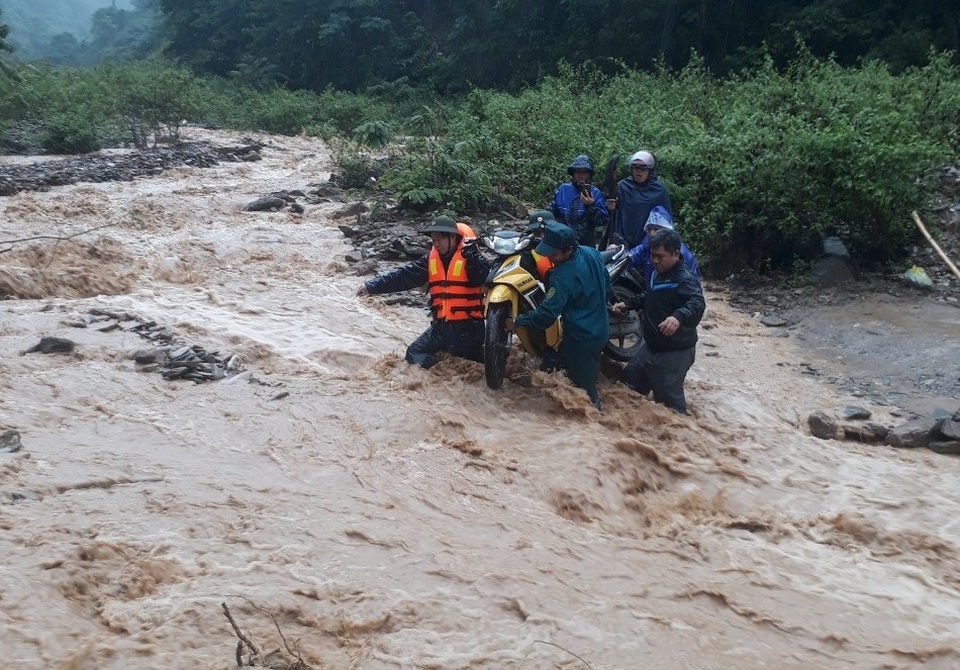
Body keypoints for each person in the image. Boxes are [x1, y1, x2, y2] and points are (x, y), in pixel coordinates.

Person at [357, 216, 490, 369]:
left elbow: (485, 277)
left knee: (471, 364)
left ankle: (455, 372)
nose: (436, 244)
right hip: (440, 328)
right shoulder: (431, 260)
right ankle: (441, 374)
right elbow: (404, 276)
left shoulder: (472, 256)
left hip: (468, 330)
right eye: (434, 240)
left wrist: (473, 257)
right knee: (413, 353)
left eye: (439, 240)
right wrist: (371, 286)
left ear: (452, 237)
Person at [505, 221, 612, 410]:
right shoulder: (592, 253)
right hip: (599, 328)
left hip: (582, 339)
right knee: (548, 369)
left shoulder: (562, 275)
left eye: (553, 254)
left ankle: (595, 422)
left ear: (569, 249)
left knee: (585, 393)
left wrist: (518, 322)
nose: (550, 258)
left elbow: (547, 315)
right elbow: (607, 283)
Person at [616, 228, 705, 414]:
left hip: (674, 354)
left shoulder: (684, 279)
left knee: (670, 411)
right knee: (625, 388)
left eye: (660, 256)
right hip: (651, 348)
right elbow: (651, 295)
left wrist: (678, 317)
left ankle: (679, 439)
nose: (654, 261)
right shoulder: (658, 273)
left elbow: (697, 303)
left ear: (675, 254)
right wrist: (628, 304)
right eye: (652, 255)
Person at [610, 150, 672, 249]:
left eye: (643, 169)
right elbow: (612, 213)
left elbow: (666, 220)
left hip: (651, 243)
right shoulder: (623, 187)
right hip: (625, 242)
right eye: (636, 168)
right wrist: (610, 206)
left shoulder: (659, 190)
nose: (639, 171)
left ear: (650, 171)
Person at [628, 205, 699, 286]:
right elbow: (629, 258)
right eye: (649, 229)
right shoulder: (645, 247)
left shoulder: (683, 254)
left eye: (657, 229)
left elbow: (694, 286)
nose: (652, 233)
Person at [549, 154, 609, 248]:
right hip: (562, 242)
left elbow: (602, 221)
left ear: (589, 174)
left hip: (585, 244)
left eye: (585, 172)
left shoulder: (595, 193)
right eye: (578, 172)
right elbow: (550, 212)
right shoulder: (563, 189)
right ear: (573, 173)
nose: (581, 175)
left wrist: (590, 206)